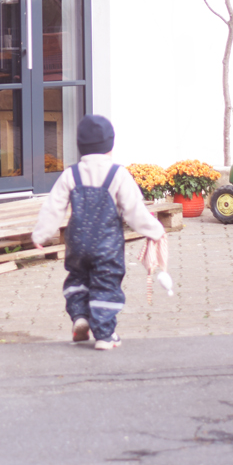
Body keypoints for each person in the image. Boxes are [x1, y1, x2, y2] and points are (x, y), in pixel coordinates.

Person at [31, 115, 166, 350]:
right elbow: (134, 210)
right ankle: (104, 335)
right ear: (110, 145)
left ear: (79, 145)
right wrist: (155, 230)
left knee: (77, 278)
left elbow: (53, 207)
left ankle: (80, 316)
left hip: (77, 244)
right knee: (106, 284)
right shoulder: (118, 174)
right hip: (107, 245)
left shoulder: (71, 174)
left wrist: (40, 234)